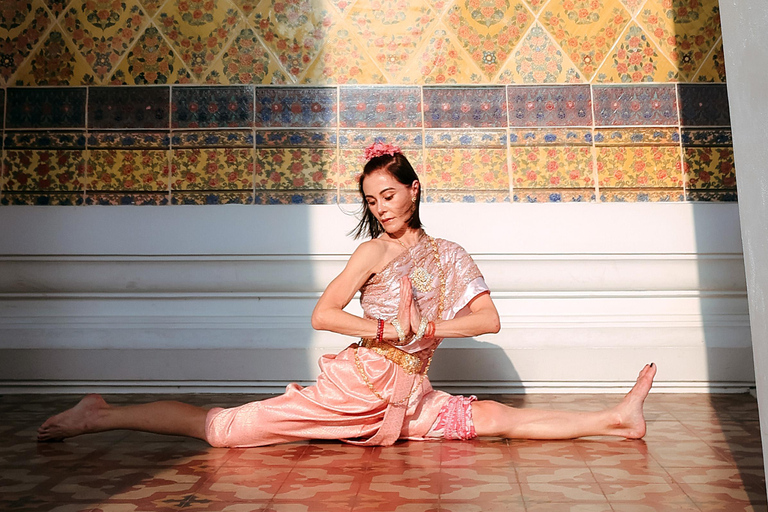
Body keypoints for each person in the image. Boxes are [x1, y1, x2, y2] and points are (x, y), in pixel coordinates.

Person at [38, 142, 656, 446]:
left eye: (388, 195)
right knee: (222, 432)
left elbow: (488, 320)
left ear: (413, 190)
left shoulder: (449, 254)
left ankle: (615, 416)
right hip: (351, 393)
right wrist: (388, 330)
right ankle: (103, 413)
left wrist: (429, 329)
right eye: (371, 200)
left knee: (495, 419)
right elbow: (323, 314)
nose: (380, 208)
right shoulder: (372, 253)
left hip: (409, 397)